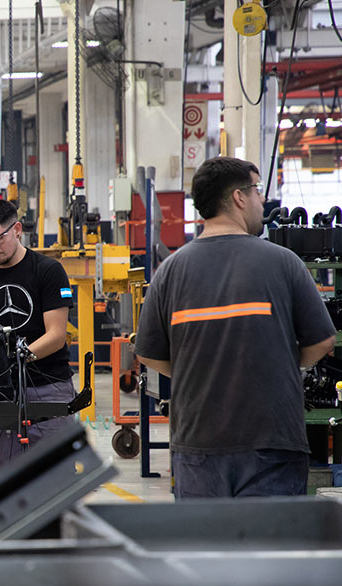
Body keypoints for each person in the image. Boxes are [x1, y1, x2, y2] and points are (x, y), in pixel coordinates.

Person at [135, 157, 336, 498]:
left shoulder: (170, 271)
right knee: (270, 549)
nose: (262, 201)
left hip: (197, 446)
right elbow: (323, 340)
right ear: (239, 198)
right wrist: (284, 365)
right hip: (271, 443)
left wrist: (196, 369)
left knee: (208, 549)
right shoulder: (283, 263)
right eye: (257, 191)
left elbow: (150, 354)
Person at [0, 198, 76, 467]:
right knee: (9, 481)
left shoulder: (48, 271)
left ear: (16, 229)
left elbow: (56, 335)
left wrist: (10, 359)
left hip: (47, 388)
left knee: (55, 479)